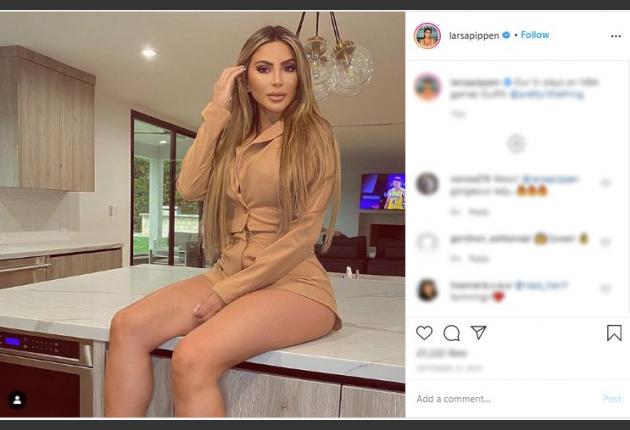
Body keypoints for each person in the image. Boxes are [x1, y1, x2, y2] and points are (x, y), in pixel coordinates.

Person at [105, 25, 342, 417]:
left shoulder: (315, 134)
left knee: (191, 358)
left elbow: (303, 235)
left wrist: (228, 292)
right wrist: (216, 111)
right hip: (229, 271)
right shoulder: (234, 137)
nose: (278, 80)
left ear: (301, 76)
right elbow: (189, 186)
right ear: (244, 79)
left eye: (288, 68)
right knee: (126, 326)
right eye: (263, 68)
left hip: (295, 284)